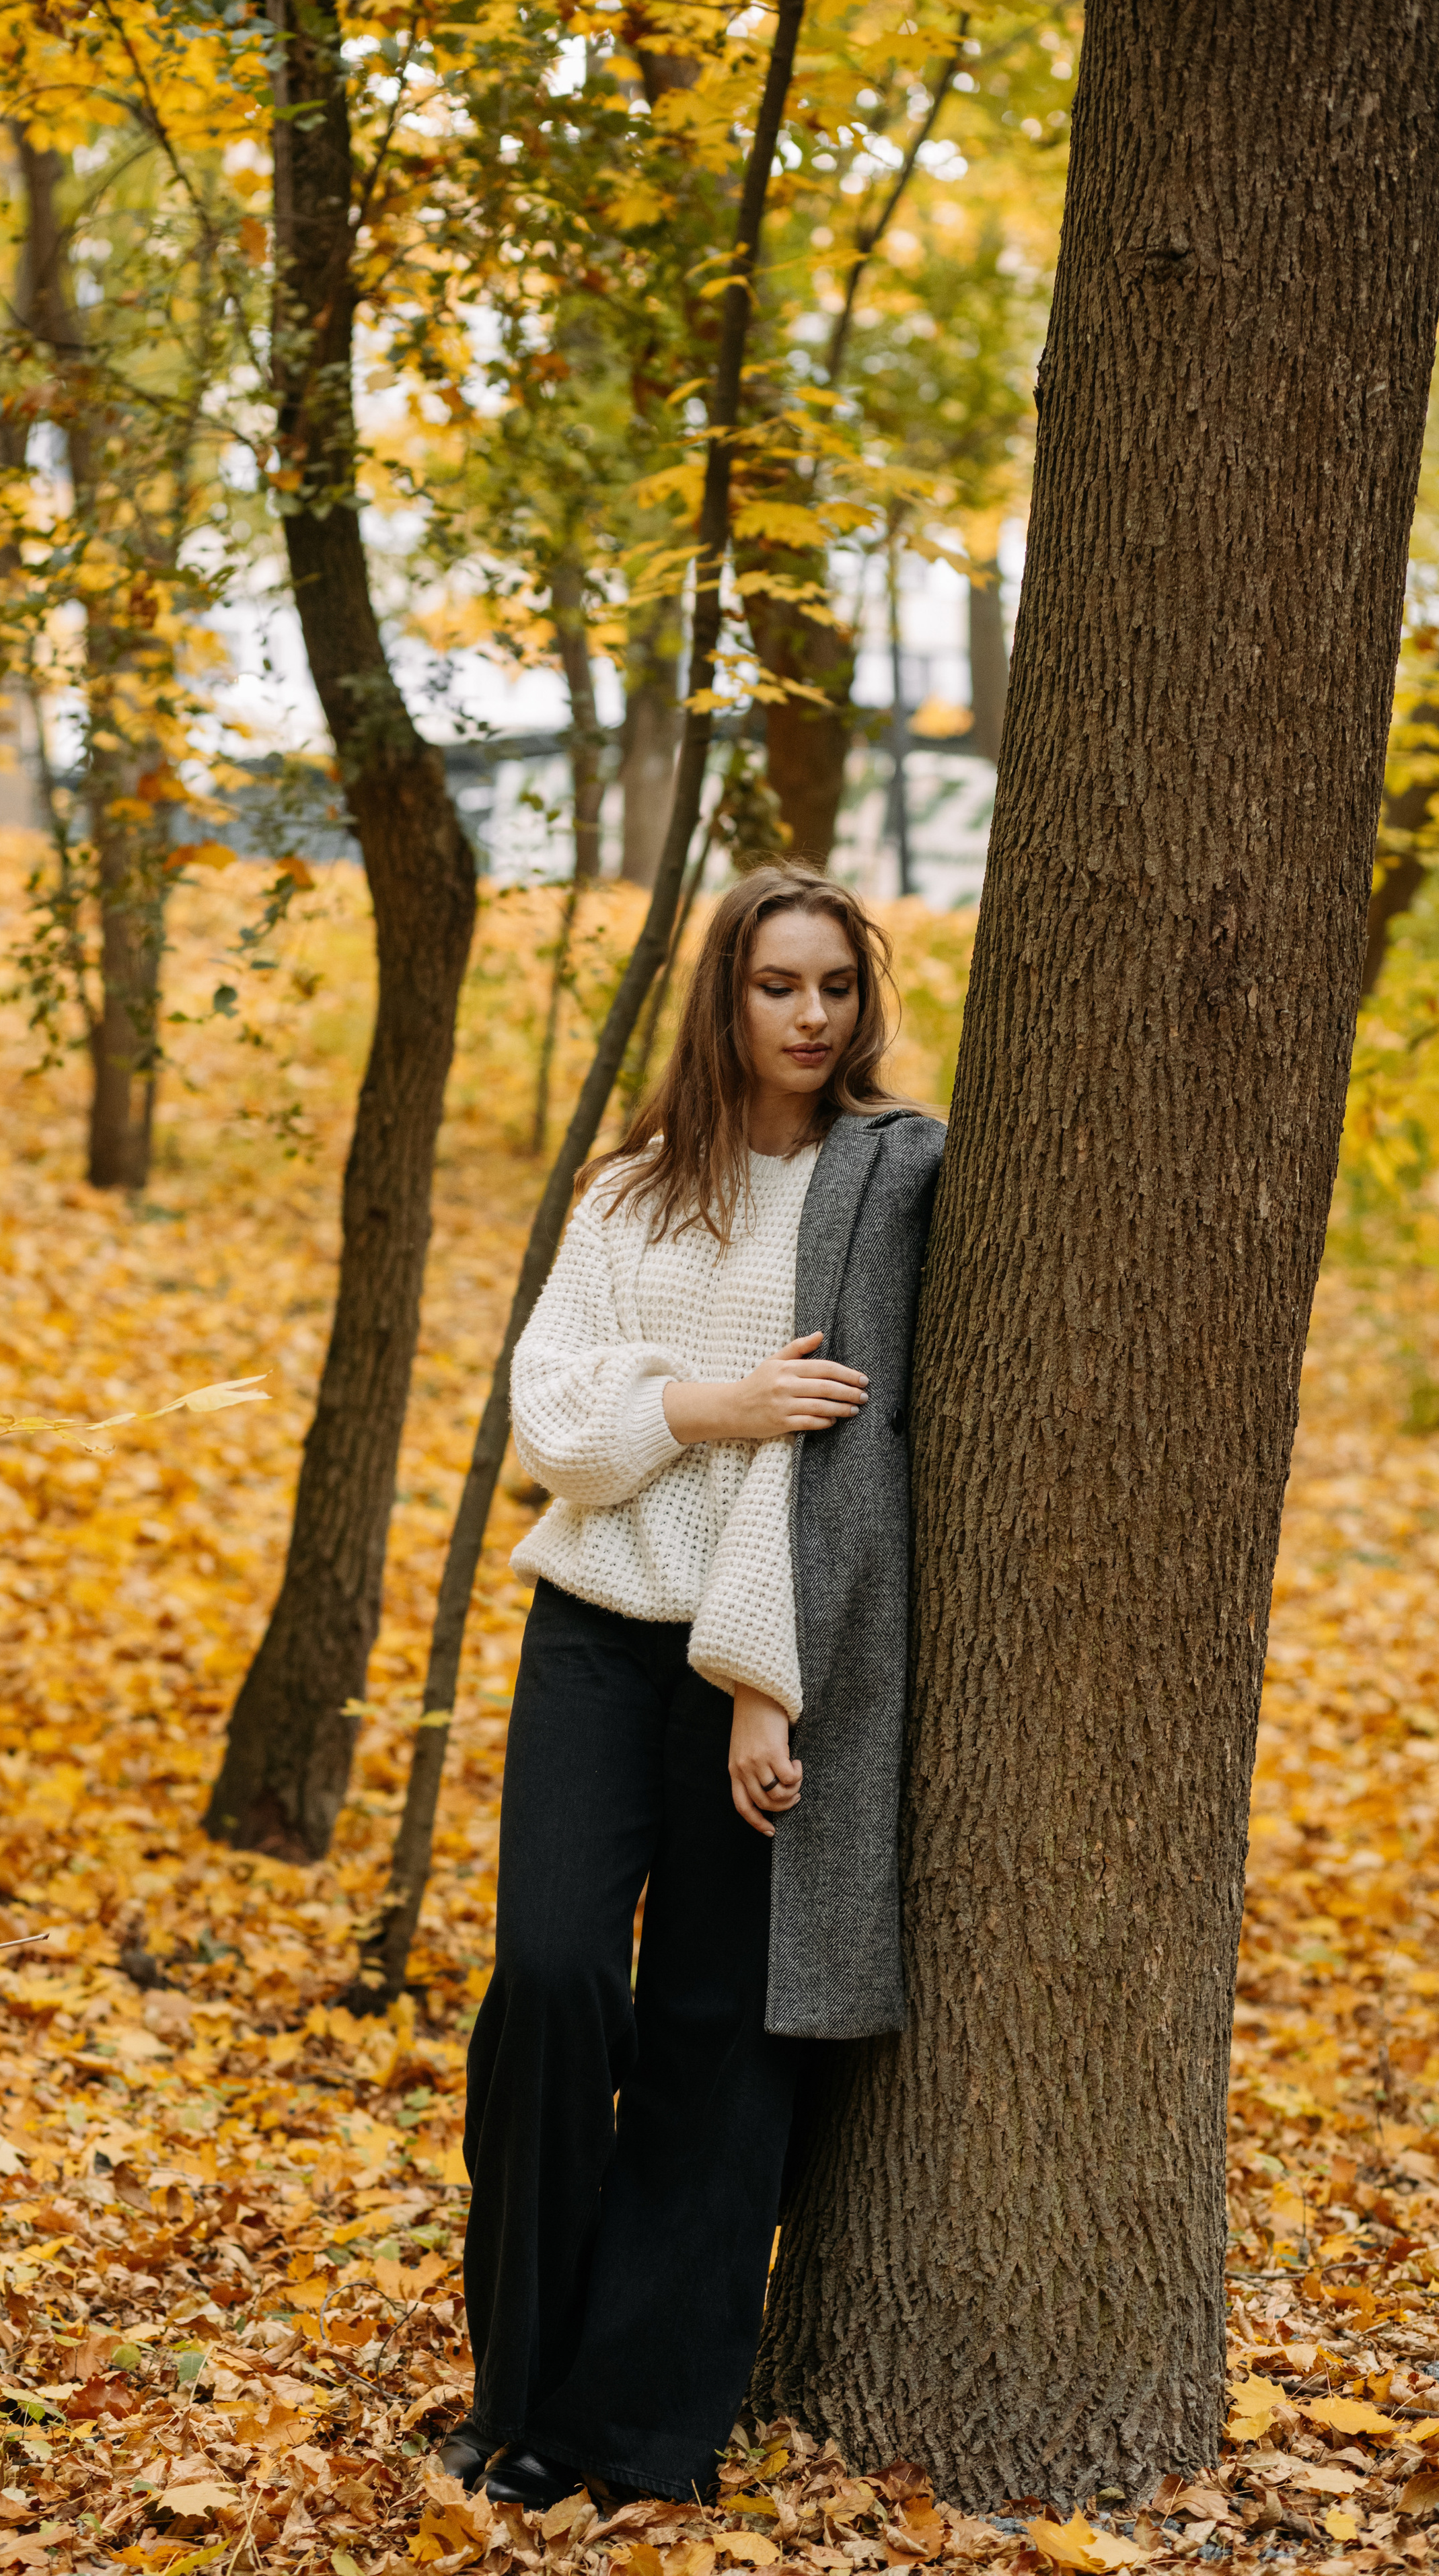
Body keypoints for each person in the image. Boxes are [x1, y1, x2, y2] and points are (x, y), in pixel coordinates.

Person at [441, 863, 945, 2507]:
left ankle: (629, 2428)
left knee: (713, 2036)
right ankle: (516, 2377)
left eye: (834, 988)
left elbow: (833, 1473)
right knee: (550, 1980)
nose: (810, 1018)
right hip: (591, 1633)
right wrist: (706, 1402)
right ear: (721, 998)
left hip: (762, 1657)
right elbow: (550, 1428)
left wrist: (754, 1680)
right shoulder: (629, 1193)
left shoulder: (882, 1186)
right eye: (776, 986)